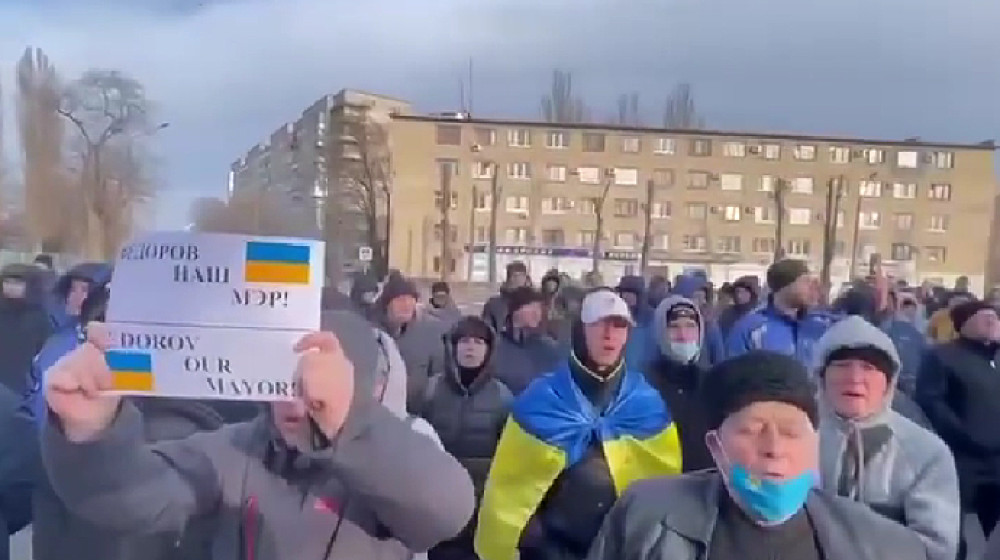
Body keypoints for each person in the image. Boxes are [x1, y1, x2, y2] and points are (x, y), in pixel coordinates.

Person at [41, 311, 475, 560]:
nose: (292, 405)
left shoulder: (393, 447)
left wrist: (348, 425)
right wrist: (91, 432)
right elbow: (133, 499)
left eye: (312, 392)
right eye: (280, 383)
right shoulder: (235, 448)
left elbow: (446, 510)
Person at [586, 351, 928, 560]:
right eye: (751, 430)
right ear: (716, 447)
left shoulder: (884, 546)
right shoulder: (645, 518)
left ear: (815, 442)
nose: (774, 448)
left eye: (791, 433)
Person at [475, 290, 682, 560]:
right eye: (599, 324)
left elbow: (663, 491)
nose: (609, 335)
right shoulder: (543, 398)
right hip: (552, 549)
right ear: (580, 332)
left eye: (619, 326)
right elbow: (508, 488)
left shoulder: (646, 403)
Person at [813, 316, 959, 560]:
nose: (855, 378)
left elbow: (935, 549)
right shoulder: (792, 440)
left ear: (889, 383)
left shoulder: (926, 451)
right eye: (842, 365)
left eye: (869, 368)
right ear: (821, 376)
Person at [422, 316, 513, 560]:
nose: (470, 348)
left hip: (481, 508)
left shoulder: (502, 396)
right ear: (453, 347)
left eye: (478, 342)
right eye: (464, 341)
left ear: (489, 350)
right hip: (436, 504)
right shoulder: (431, 390)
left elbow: (510, 457)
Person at [917, 299, 1000, 537]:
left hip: (997, 463)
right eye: (984, 318)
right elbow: (932, 403)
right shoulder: (942, 356)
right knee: (952, 531)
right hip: (961, 461)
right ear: (963, 324)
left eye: (995, 318)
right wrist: (966, 435)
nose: (991, 322)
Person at [644, 295, 713, 472]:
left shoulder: (713, 383)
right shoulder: (643, 384)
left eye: (690, 326)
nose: (683, 336)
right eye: (674, 327)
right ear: (660, 332)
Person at [726, 259, 830, 367]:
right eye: (806, 281)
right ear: (785, 285)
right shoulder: (750, 328)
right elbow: (734, 372)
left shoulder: (823, 325)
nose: (814, 287)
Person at [376, 273, 447, 414]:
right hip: (378, 412)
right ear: (387, 304)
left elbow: (439, 375)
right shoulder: (372, 330)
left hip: (417, 413)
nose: (407, 305)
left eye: (411, 299)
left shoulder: (430, 330)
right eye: (400, 299)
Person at [491, 286, 562, 395]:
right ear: (516, 311)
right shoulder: (495, 347)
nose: (537, 313)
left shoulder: (549, 348)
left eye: (539, 309)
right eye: (532, 308)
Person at [0, 263, 53, 394]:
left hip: (23, 382)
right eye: (7, 282)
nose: (11, 287)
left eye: (17, 283)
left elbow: (45, 350)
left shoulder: (39, 317)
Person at [881, 290, 927, 397]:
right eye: (905, 306)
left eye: (911, 305)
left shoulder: (922, 330)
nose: (908, 309)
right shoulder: (886, 328)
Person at [615, 275, 655, 372]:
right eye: (624, 292)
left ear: (640, 296)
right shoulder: (616, 314)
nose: (626, 297)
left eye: (631, 293)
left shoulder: (650, 317)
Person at [482, 261, 530, 333]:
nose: (518, 280)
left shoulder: (534, 303)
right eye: (515, 276)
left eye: (522, 276)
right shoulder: (494, 304)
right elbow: (486, 330)